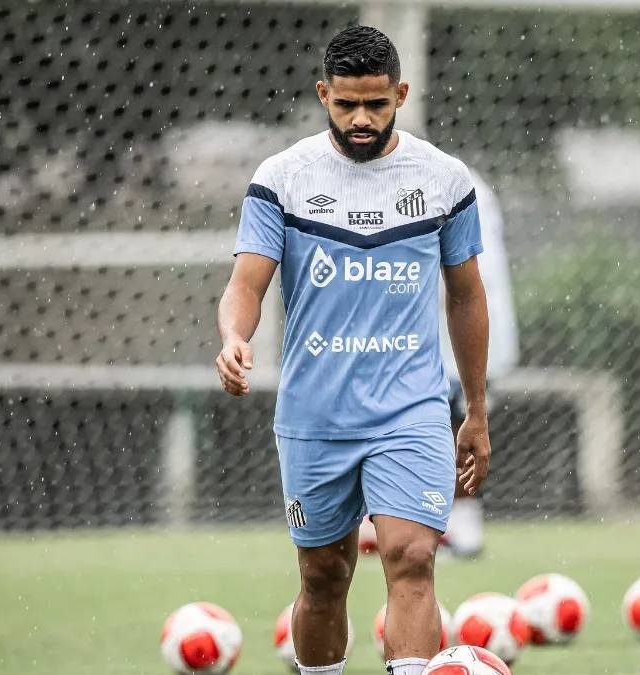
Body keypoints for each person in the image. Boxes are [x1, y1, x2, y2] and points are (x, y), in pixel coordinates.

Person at [214, 25, 491, 675]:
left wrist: (473, 409)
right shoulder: (282, 178)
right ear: (322, 95)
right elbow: (245, 283)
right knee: (324, 572)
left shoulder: (444, 179)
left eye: (376, 103)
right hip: (316, 415)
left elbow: (467, 297)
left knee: (413, 558)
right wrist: (233, 337)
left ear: (401, 93)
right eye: (346, 105)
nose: (361, 118)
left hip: (412, 410)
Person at [440, 171, 519, 559]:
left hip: (463, 338)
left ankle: (464, 524)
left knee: (461, 424)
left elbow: (470, 273)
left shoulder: (458, 185)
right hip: (428, 339)